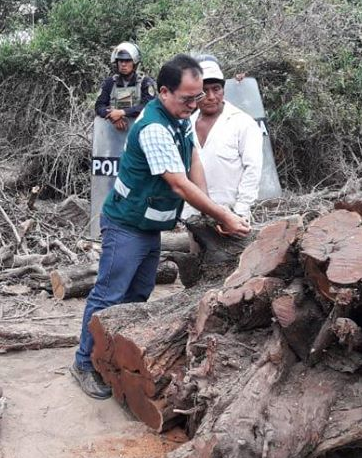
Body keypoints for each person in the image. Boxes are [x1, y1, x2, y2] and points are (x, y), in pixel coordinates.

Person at [71, 54, 251, 399]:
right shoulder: (153, 127)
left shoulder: (180, 118)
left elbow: (193, 158)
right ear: (164, 92)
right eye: (187, 98)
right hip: (125, 225)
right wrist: (223, 216)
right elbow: (179, 184)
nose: (194, 104)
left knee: (139, 295)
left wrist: (209, 209)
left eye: (198, 96)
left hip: (148, 226)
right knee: (109, 294)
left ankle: (113, 358)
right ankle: (83, 362)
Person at [181, 56, 263, 221]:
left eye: (216, 89)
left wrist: (240, 210)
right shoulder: (185, 124)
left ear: (223, 90)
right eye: (204, 90)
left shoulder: (242, 123)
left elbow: (252, 170)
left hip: (232, 216)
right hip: (193, 217)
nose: (211, 96)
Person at [94, 42, 156, 131]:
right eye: (120, 60)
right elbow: (99, 106)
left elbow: (149, 106)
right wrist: (113, 116)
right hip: (113, 134)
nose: (123, 64)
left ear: (134, 63)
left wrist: (122, 113)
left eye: (127, 61)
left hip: (139, 131)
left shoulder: (145, 82)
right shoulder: (109, 82)